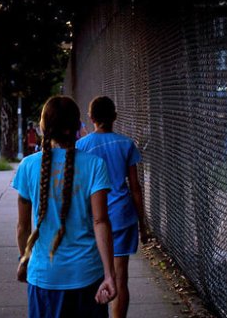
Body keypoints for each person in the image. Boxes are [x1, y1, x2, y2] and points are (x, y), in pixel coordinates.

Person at [13, 96, 117, 317]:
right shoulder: (95, 165)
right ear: (78, 125)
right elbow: (100, 221)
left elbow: (23, 228)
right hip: (87, 276)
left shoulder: (27, 166)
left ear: (43, 127)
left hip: (44, 277)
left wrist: (25, 260)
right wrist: (109, 275)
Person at [76, 95, 152, 318]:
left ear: (90, 118)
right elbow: (135, 187)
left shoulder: (81, 146)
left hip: (92, 218)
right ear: (115, 117)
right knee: (120, 277)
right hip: (122, 216)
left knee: (95, 276)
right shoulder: (126, 144)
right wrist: (143, 224)